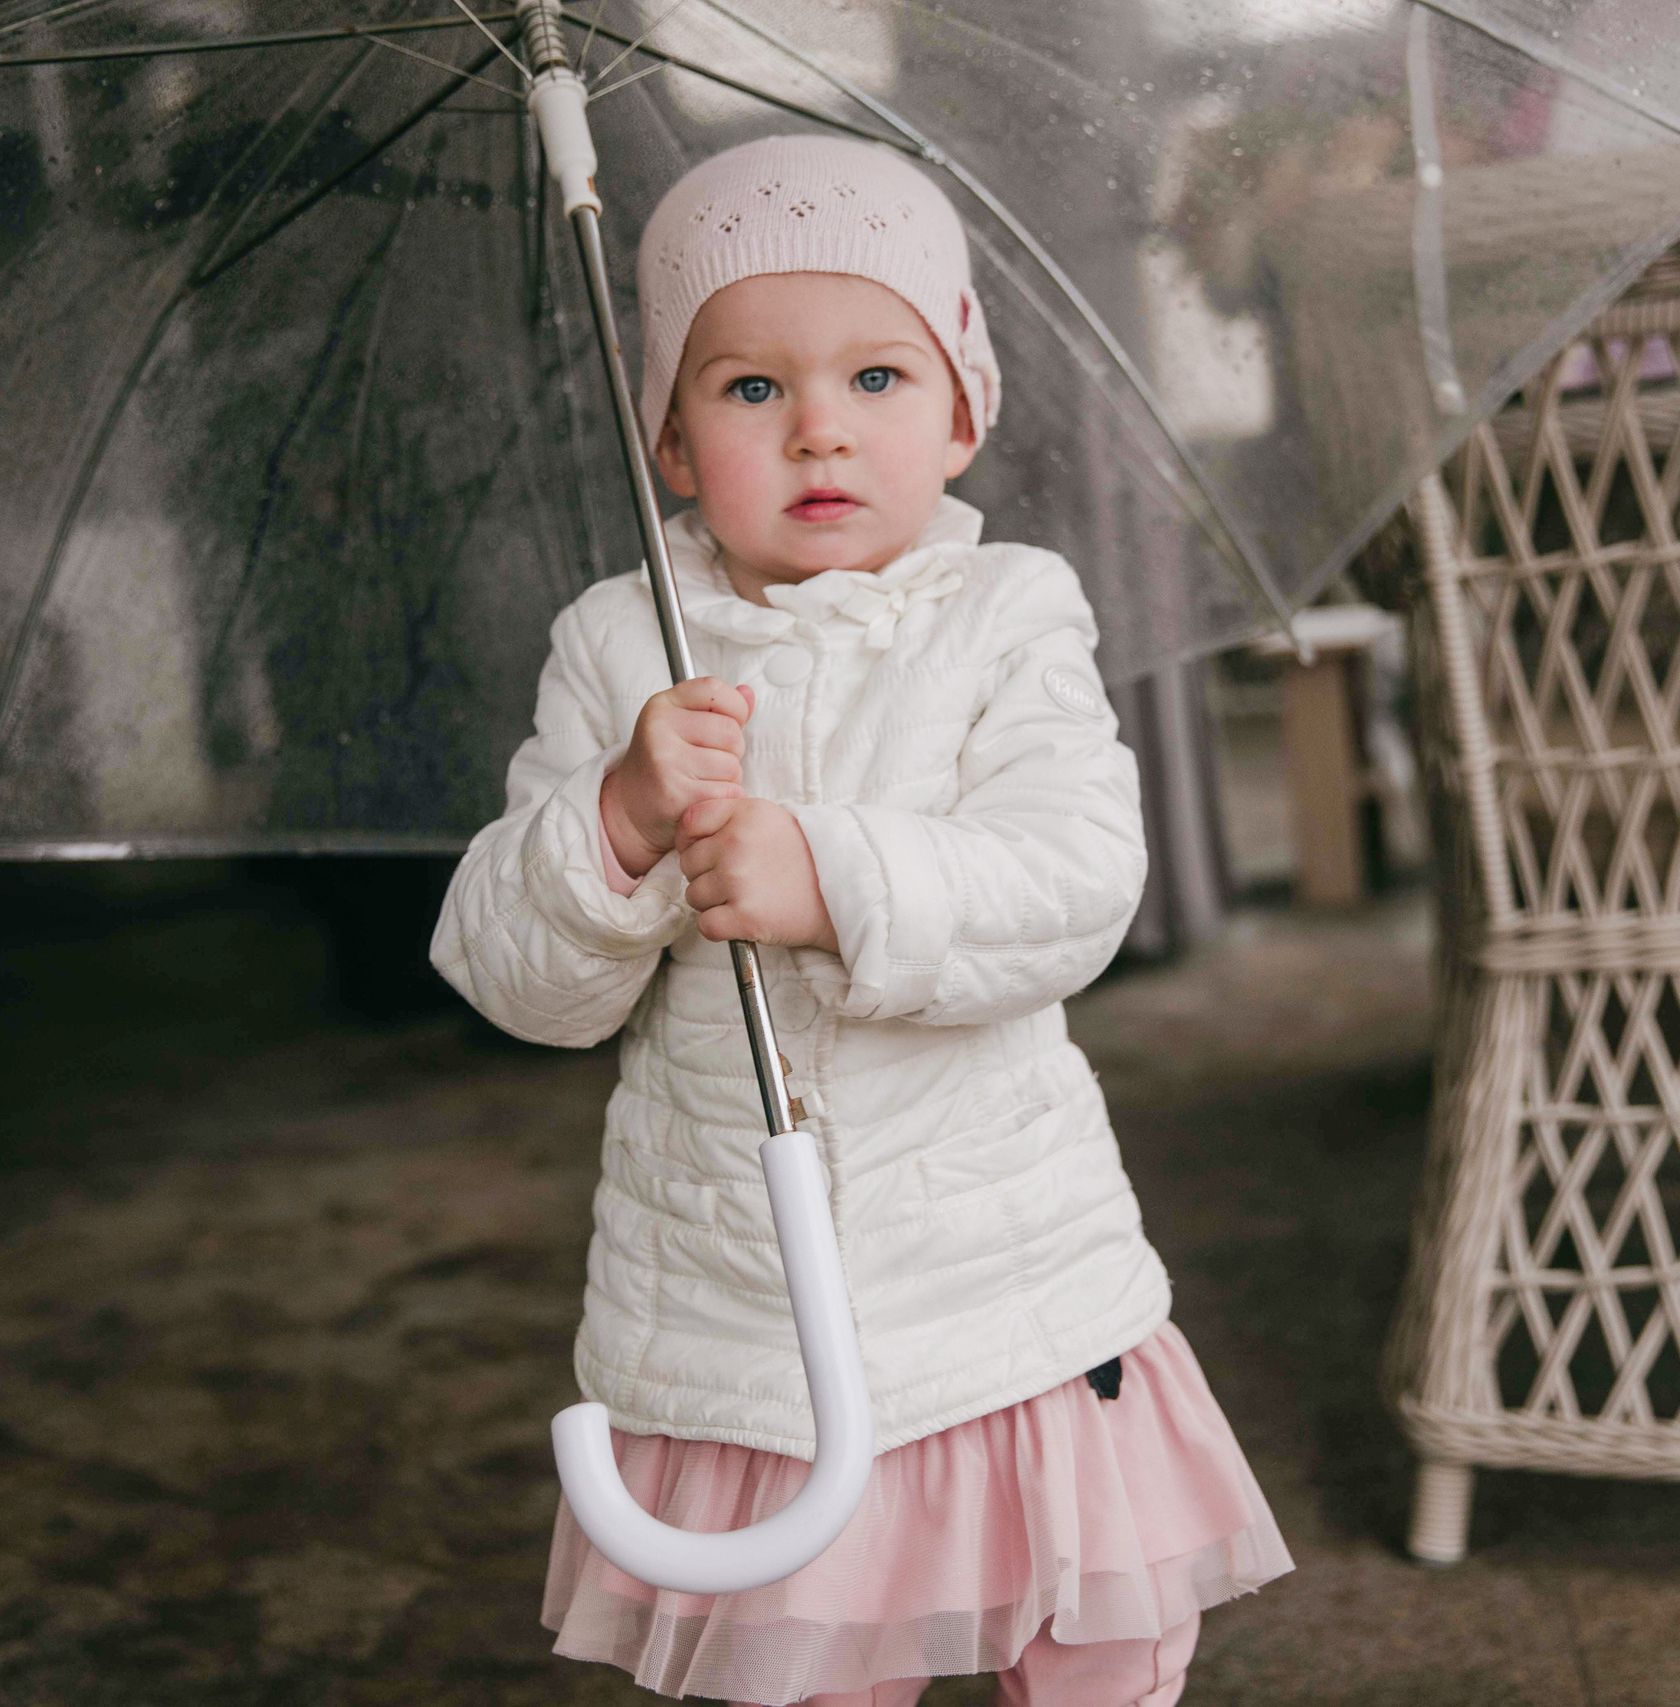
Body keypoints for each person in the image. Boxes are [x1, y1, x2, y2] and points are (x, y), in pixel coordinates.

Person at [433, 134, 1290, 1707]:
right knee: (809, 1667)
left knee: (1100, 1649)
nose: (818, 426)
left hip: (1012, 1290)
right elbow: (517, 979)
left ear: (963, 412)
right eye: (750, 388)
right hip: (748, 1325)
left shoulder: (1007, 614)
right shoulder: (618, 646)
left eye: (877, 378)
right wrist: (616, 823)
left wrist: (832, 880)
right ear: (669, 439)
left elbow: (1075, 880)